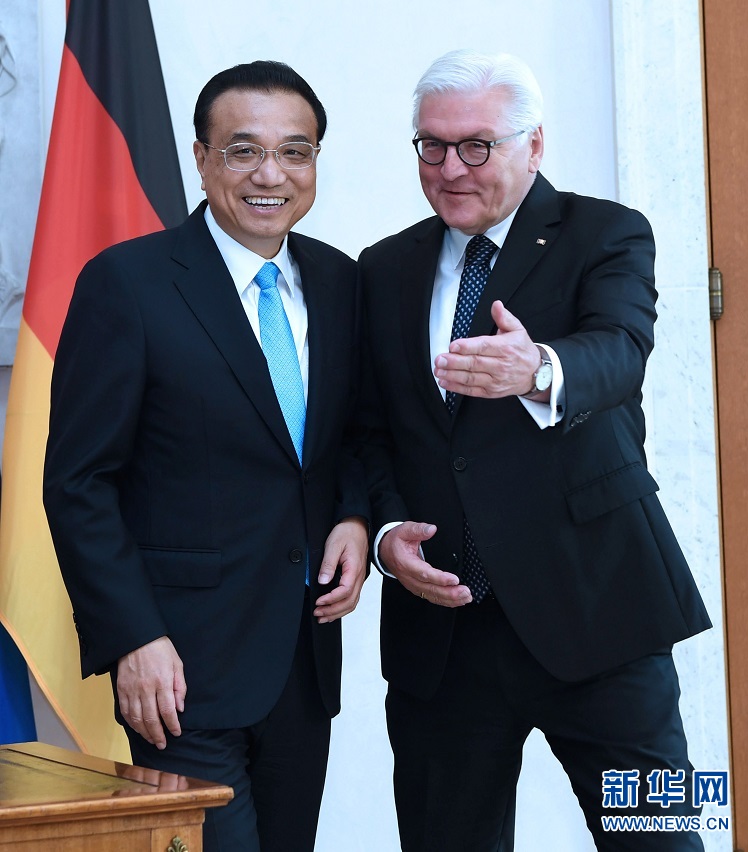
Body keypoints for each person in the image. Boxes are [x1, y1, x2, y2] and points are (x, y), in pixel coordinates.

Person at [357, 49, 710, 851]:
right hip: (444, 633)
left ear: (534, 145)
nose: (450, 168)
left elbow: (620, 350)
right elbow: (371, 435)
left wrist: (540, 368)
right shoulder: (383, 267)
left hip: (599, 612)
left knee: (658, 837)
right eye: (431, 146)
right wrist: (386, 536)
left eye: (476, 145)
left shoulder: (606, 232)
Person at [43, 60, 369, 852]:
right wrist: (132, 638)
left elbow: (354, 433)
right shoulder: (128, 283)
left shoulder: (340, 282)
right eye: (242, 150)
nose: (270, 174)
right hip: (177, 670)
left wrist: (356, 515)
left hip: (301, 660)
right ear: (201, 158)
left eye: (294, 152)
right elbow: (80, 483)